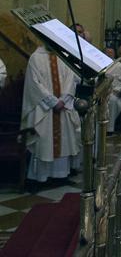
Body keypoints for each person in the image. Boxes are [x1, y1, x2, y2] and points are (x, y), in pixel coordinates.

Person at [21, 44, 81, 183]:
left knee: (64, 139)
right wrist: (53, 102)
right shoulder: (35, 58)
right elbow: (33, 84)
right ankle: (40, 177)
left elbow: (70, 80)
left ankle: (61, 176)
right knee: (44, 140)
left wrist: (63, 100)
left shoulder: (64, 57)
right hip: (43, 108)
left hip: (63, 106)